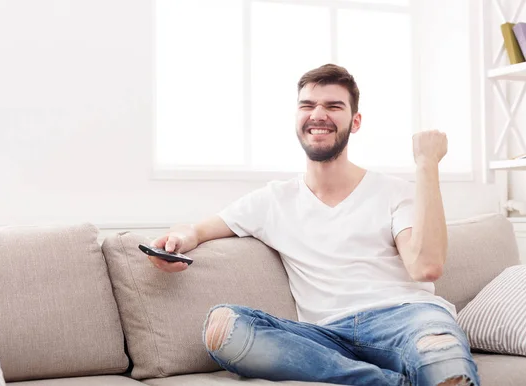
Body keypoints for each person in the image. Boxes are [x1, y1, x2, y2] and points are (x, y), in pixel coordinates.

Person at [146, 64, 478, 386]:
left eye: (333, 105)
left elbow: (426, 266)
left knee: (444, 363)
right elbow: (201, 229)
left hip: (408, 320)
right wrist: (179, 238)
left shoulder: (394, 191)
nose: (318, 114)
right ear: (298, 119)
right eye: (308, 105)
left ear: (356, 121)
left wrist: (427, 163)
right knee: (225, 329)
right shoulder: (273, 200)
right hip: (325, 336)